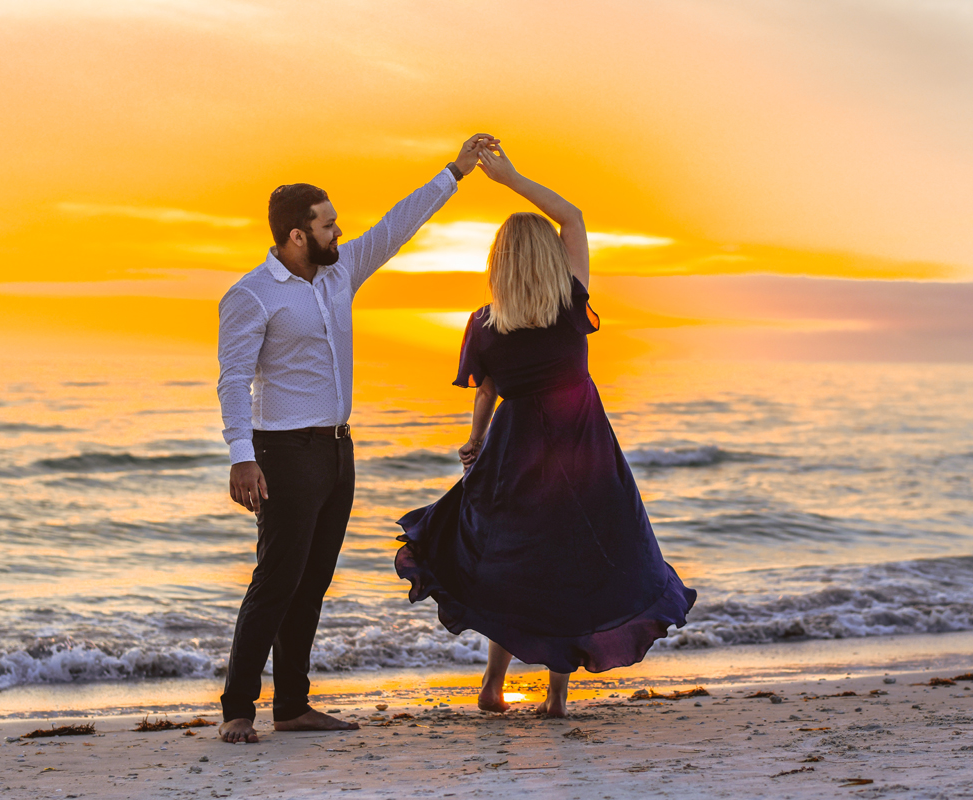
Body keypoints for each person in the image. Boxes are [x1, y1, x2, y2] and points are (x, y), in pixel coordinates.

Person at [394, 144, 697, 717]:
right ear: (548, 258)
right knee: (572, 568)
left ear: (499, 264)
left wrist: (477, 441)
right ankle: (556, 697)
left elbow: (485, 393)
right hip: (584, 450)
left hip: (517, 455)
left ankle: (491, 685)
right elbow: (574, 217)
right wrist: (509, 178)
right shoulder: (569, 304)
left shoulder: (484, 324)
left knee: (512, 572)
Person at [216, 134, 499, 743]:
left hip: (339, 450)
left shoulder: (339, 273)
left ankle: (292, 706)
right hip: (283, 452)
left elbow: (398, 225)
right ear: (297, 234)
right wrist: (242, 459)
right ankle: (238, 707)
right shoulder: (250, 295)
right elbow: (233, 380)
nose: (338, 233)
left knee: (313, 582)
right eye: (327, 226)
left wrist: (455, 172)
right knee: (276, 580)